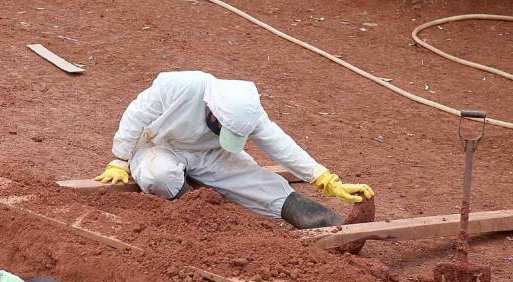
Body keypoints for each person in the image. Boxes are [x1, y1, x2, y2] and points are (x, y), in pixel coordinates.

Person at [95, 71, 374, 229]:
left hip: (210, 153)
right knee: (159, 176)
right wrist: (120, 158)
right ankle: (206, 217)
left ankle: (317, 218)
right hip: (159, 146)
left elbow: (279, 143)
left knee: (255, 179)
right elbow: (137, 114)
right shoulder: (180, 86)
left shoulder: (248, 111)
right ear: (213, 110)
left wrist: (323, 177)